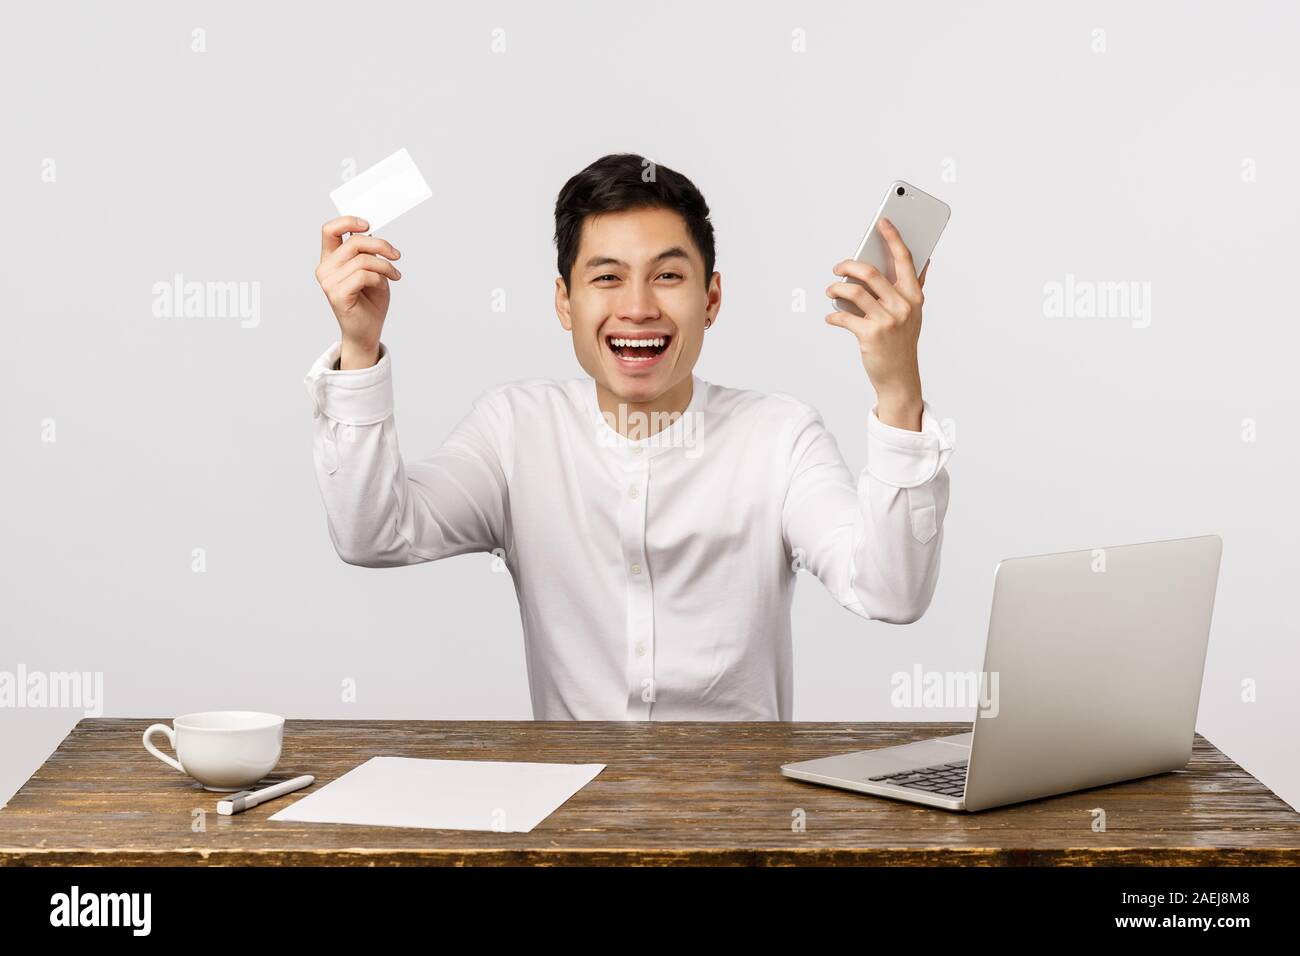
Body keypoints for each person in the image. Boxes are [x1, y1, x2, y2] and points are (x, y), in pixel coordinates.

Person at [304, 153, 953, 720]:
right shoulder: (514, 431)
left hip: (740, 817)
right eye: (607, 277)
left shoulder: (778, 436)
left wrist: (898, 390)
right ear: (565, 302)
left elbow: (889, 591)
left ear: (711, 299)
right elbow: (373, 535)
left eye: (668, 276)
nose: (638, 306)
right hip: (573, 821)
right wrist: (359, 347)